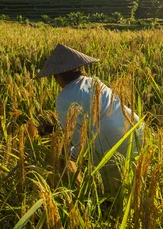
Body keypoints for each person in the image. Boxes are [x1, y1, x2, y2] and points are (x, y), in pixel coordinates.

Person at [36, 43, 143, 191]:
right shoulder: (95, 82)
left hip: (109, 138)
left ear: (58, 76)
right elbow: (89, 118)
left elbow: (74, 138)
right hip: (135, 127)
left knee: (66, 156)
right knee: (133, 175)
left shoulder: (63, 98)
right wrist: (52, 129)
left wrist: (68, 155)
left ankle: (80, 190)